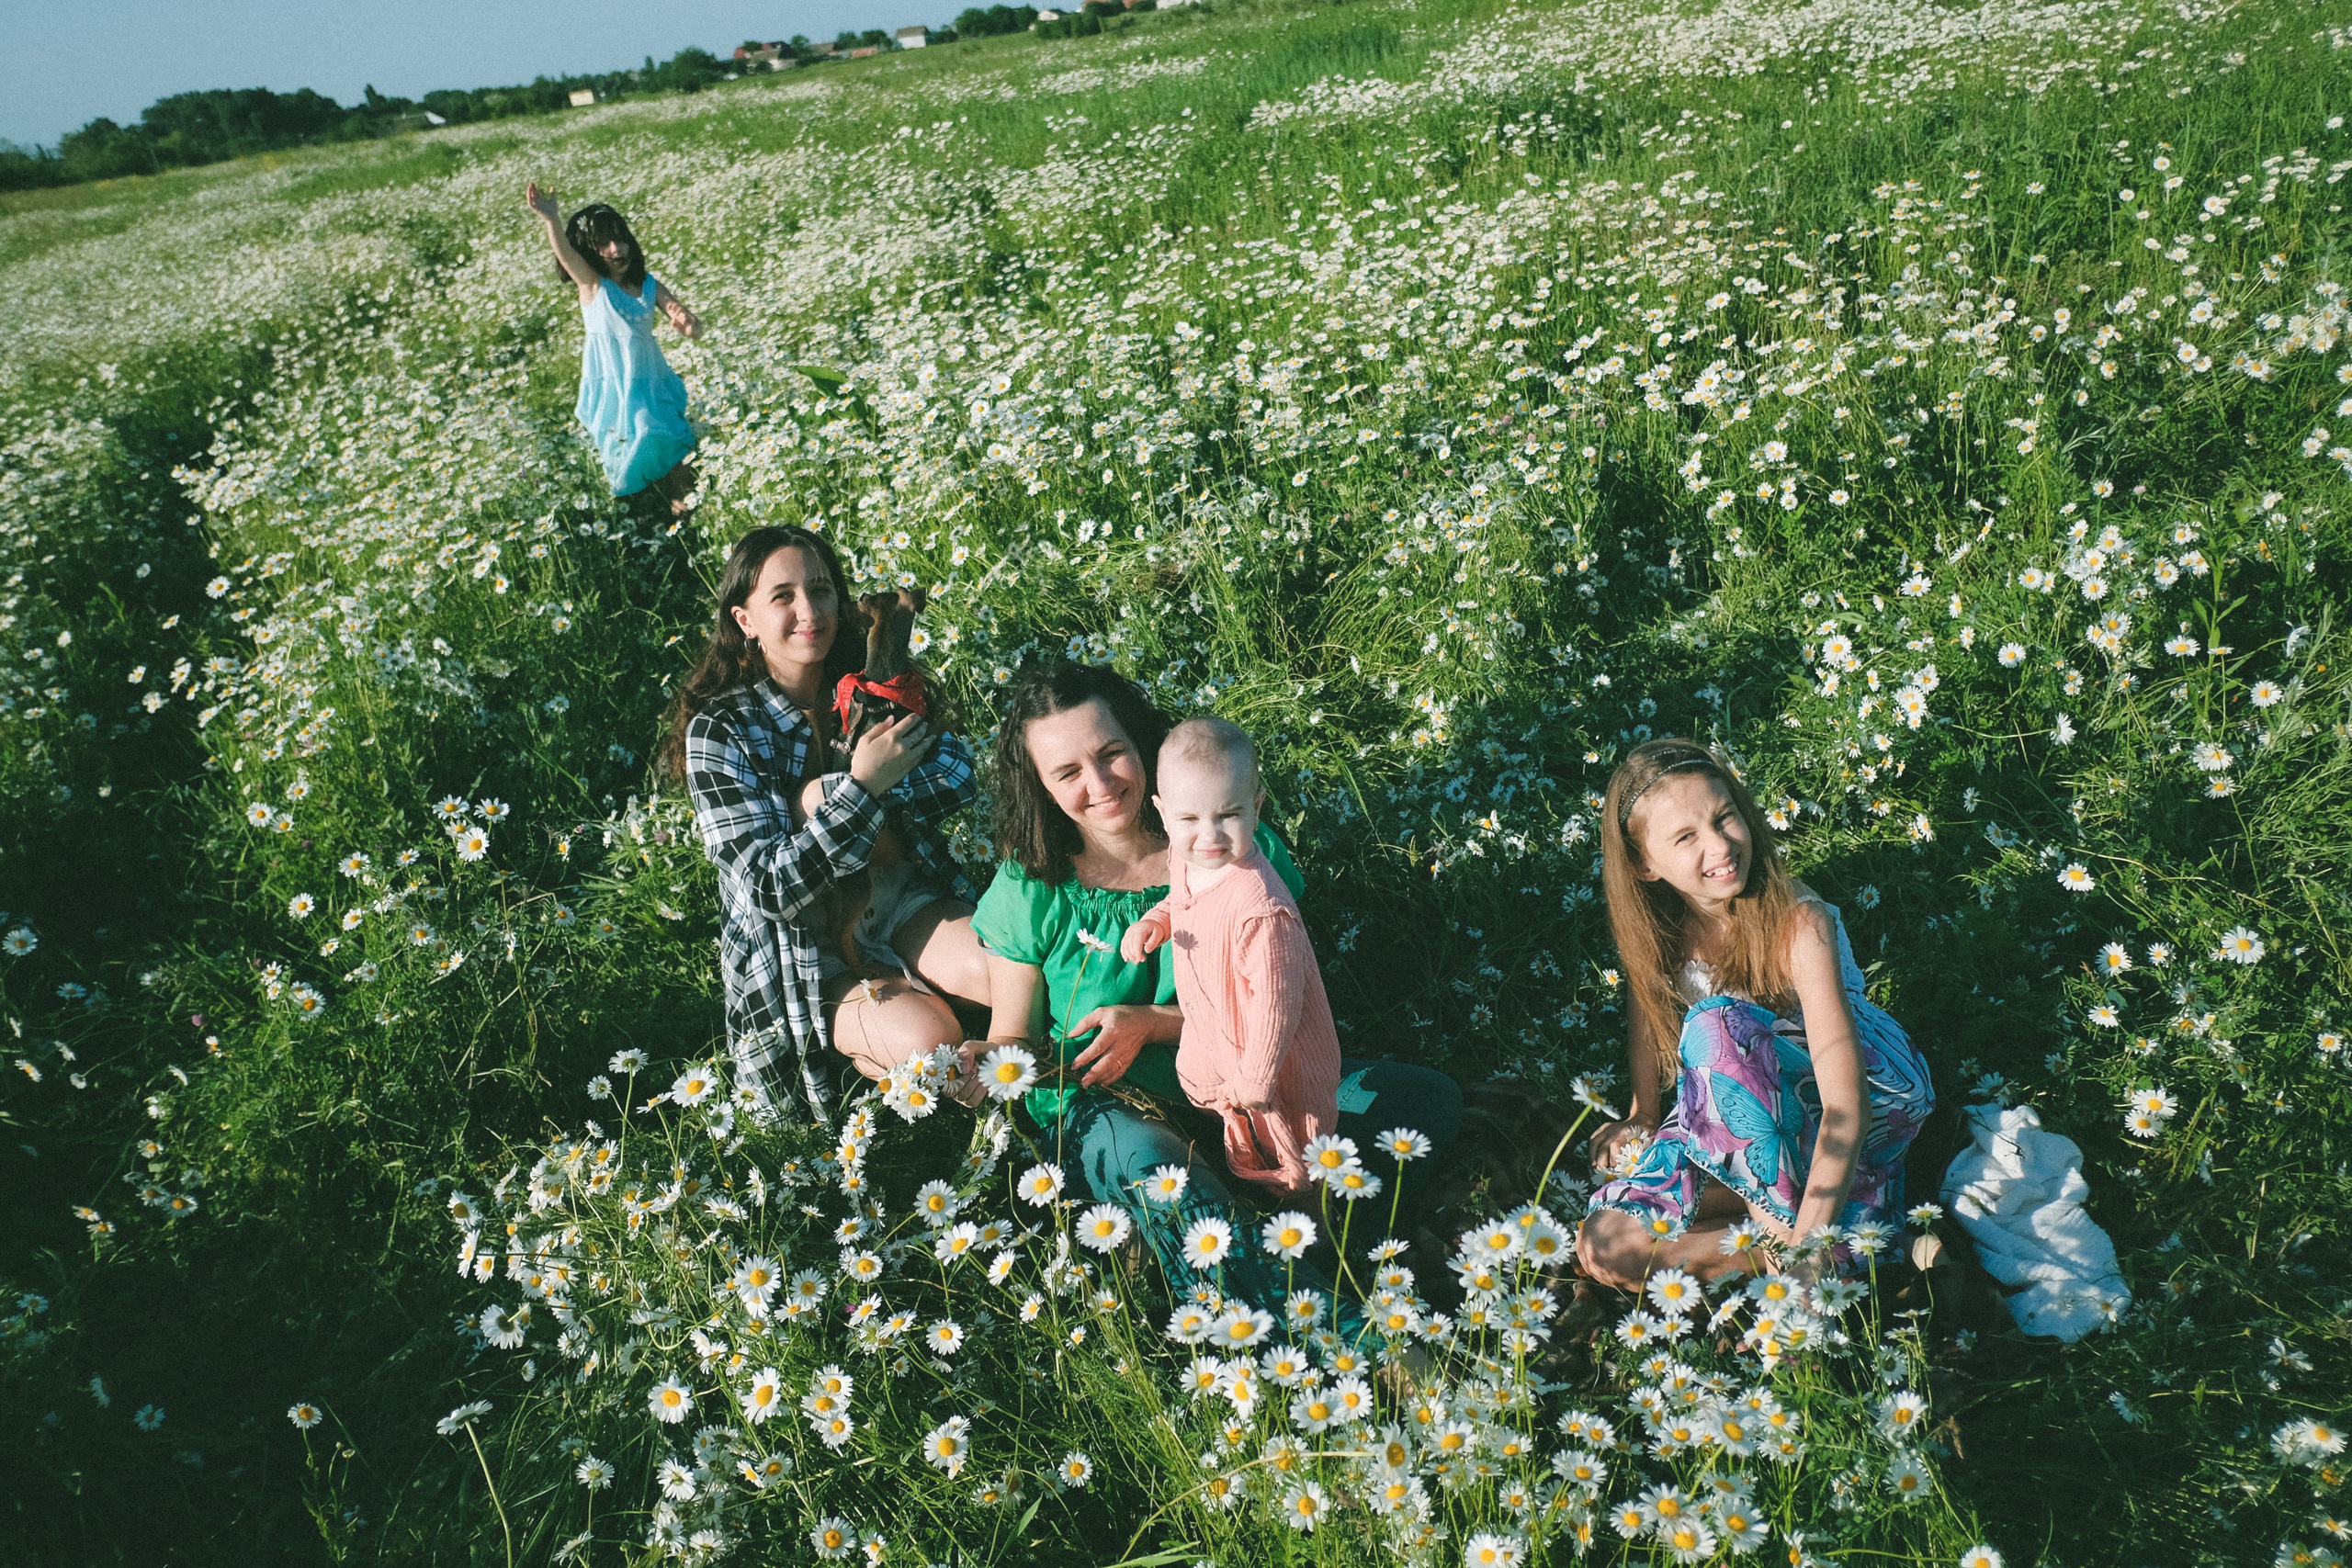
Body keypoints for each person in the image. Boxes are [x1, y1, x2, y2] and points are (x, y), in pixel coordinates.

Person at [968, 663, 1462, 1317]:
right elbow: (1013, 1033)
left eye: (1111, 752)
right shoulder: (1032, 884)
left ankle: (1310, 1245)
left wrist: (1153, 1021)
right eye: (1067, 773)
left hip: (1248, 1083)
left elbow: (1282, 994)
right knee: (1163, 1172)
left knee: (1421, 1099)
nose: (1100, 783)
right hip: (1110, 1105)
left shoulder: (1229, 847)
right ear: (1040, 786)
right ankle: (1336, 1330)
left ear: (1141, 742)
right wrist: (987, 1061)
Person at [1576, 738, 1935, 1292]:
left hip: (1854, 1096)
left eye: (1725, 817)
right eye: (1686, 837)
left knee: (1716, 1028)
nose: (1720, 845)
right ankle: (1858, 1241)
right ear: (1645, 865)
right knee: (1607, 1245)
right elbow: (1646, 1007)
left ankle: (1803, 1255)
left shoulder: (1798, 922)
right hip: (1738, 1108)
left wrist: (1807, 1256)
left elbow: (1847, 1107)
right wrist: (1643, 1110)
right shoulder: (1659, 928)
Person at [662, 525, 990, 1121]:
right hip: (807, 947)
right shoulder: (722, 730)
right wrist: (862, 788)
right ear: (745, 619)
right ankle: (873, 1061)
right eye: (782, 596)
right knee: (931, 1041)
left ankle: (1008, 1048)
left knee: (1006, 970)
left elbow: (957, 774)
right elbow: (771, 889)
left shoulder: (874, 680)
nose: (809, 611)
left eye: (820, 590)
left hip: (898, 898)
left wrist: (843, 793)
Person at [1118, 716, 1340, 1199]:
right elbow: (1181, 899)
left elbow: (1277, 1005)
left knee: (1296, 1148)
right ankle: (1255, 1186)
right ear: (1163, 814)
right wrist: (1156, 922)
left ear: (1256, 808)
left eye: (1228, 815)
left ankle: (1315, 1219)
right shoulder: (1187, 860)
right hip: (1220, 1030)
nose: (1210, 836)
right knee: (1242, 1129)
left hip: (1278, 1059)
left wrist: (1259, 1074)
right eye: (1190, 820)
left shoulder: (1261, 909)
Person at [524, 184, 701, 519]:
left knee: (673, 444)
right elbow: (567, 255)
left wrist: (688, 325)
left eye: (620, 240)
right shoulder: (593, 285)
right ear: (589, 252)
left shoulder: (647, 284)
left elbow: (685, 317)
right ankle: (637, 519)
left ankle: (685, 513)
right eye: (604, 244)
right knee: (626, 454)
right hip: (615, 388)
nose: (617, 249)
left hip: (651, 381)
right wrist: (551, 219)